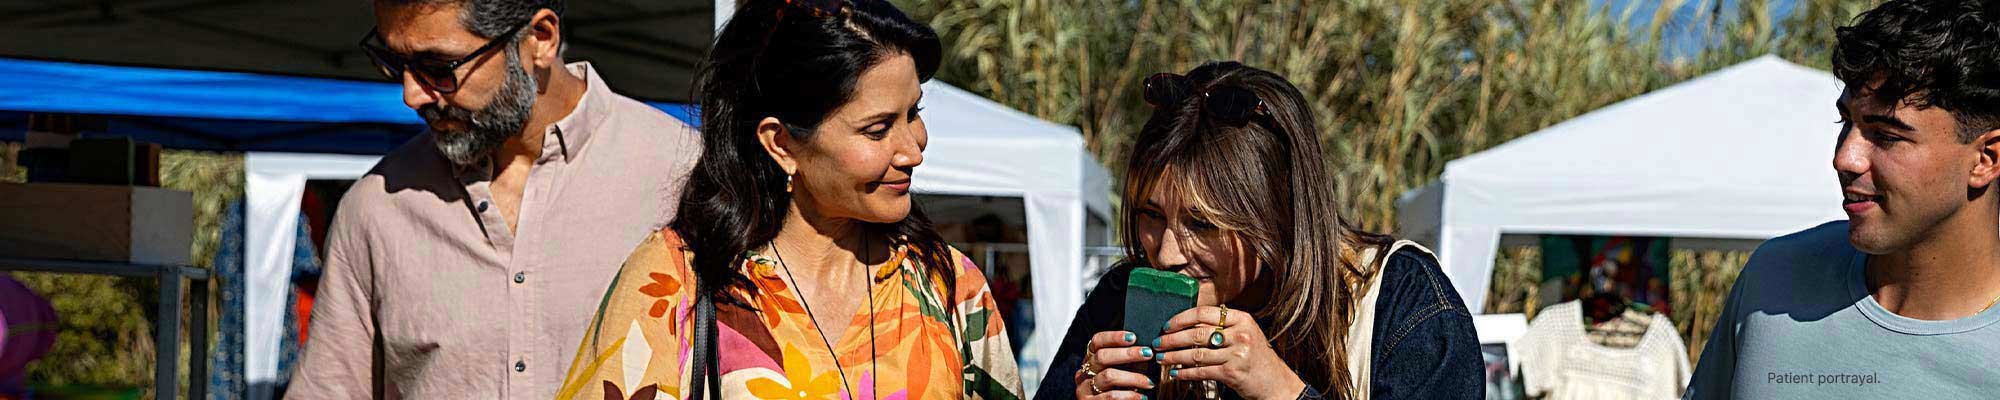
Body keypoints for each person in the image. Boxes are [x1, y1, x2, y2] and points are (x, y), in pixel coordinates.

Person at [554, 0, 1022, 399]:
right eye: (878, 129)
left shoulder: (948, 286)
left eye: (913, 113)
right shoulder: (675, 284)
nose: (914, 149)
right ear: (780, 143)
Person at [287, 0, 700, 398]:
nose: (412, 95)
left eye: (437, 68)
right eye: (395, 64)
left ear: (540, 38)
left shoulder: (685, 174)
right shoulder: (377, 206)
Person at [1038, 61, 1483, 400]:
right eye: (1151, 215)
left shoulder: (1402, 302)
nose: (1167, 253)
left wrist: (1281, 391)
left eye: (1202, 223)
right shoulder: (1119, 299)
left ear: (1278, 214)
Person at [1682, 1, 2000, 398]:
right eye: (1846, 121)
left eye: (1886, 135)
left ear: (1986, 159)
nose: (1844, 158)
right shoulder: (1775, 278)